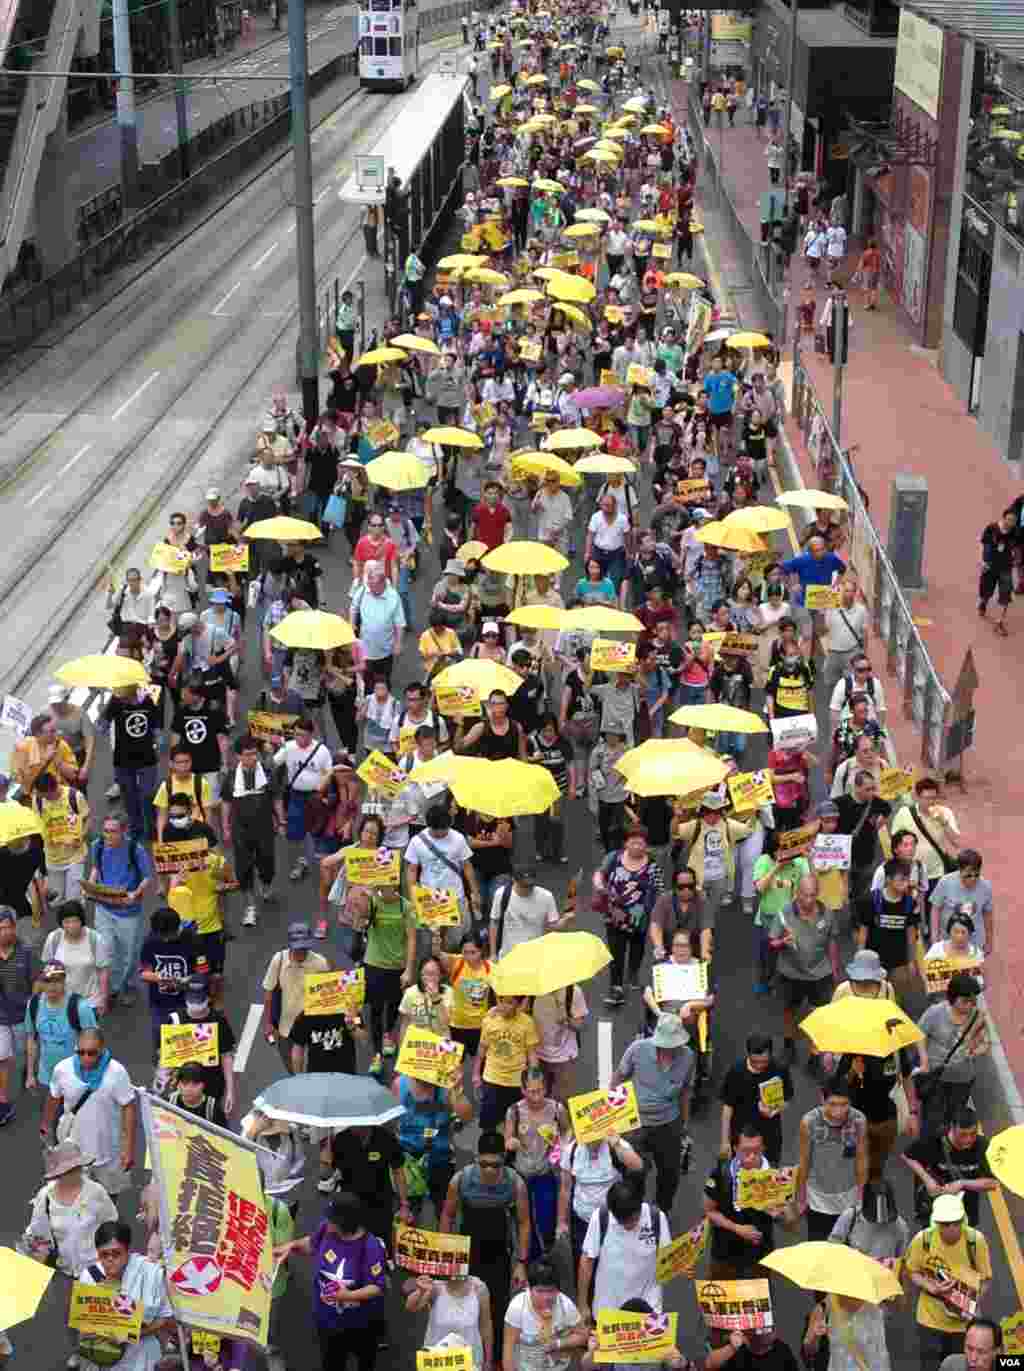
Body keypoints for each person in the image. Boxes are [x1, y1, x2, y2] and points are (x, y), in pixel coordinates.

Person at [275, 1192, 390, 1371]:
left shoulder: (371, 1247)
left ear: (346, 1222)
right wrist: (292, 1246)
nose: (327, 1222)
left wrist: (347, 1295)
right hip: (327, 1321)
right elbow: (312, 1244)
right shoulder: (326, 1229)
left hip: (361, 1324)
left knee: (365, 1362)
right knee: (331, 1363)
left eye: (332, 1220)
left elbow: (377, 1287)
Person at [440, 1131, 532, 1351]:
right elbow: (447, 1216)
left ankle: (496, 1357)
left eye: (495, 1164)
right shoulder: (461, 1179)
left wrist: (521, 1263)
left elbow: (524, 1222)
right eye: (484, 1164)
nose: (489, 1169)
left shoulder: (515, 1182)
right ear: (476, 1159)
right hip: (466, 1251)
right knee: (464, 1305)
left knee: (497, 1307)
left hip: (499, 1251)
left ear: (504, 1159)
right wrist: (445, 1257)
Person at [611, 1013, 693, 1213]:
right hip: (636, 1122)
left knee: (670, 1174)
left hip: (669, 1123)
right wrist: (611, 1115)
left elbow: (684, 1092)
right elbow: (618, 1078)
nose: (669, 1050)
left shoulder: (688, 1057)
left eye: (673, 1046)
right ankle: (634, 1211)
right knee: (634, 1171)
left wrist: (684, 1125)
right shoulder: (637, 1049)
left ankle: (661, 1212)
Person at [904, 1192, 992, 1371]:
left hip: (962, 1326)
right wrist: (932, 1287)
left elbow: (986, 1279)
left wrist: (969, 1305)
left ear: (963, 1220)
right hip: (929, 1321)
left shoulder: (975, 1241)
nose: (951, 1228)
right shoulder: (923, 1241)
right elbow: (912, 1271)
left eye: (956, 1223)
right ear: (936, 1223)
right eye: (945, 1224)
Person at [44, 1027, 135, 1196]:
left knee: (110, 1197)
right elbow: (53, 1097)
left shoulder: (117, 1072)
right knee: (78, 1198)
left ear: (102, 1049)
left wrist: (128, 1148)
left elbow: (128, 1107)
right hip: (75, 1151)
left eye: (92, 1053)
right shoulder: (62, 1069)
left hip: (109, 1151)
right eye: (81, 1052)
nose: (85, 1057)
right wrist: (46, 1125)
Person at [77, 1220, 174, 1371]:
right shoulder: (89, 1276)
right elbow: (83, 1327)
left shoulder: (149, 1272)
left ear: (128, 1251)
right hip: (104, 1359)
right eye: (104, 1255)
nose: (110, 1260)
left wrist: (133, 1335)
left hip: (143, 1358)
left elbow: (164, 1318)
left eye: (116, 1254)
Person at [766, 874, 840, 1067]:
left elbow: (831, 941)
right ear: (797, 893)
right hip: (791, 973)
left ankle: (815, 1054)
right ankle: (788, 1046)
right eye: (805, 895)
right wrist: (782, 942)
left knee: (820, 1015)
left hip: (820, 973)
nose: (808, 900)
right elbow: (771, 942)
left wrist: (834, 968)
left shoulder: (827, 913)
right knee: (789, 1012)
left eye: (813, 895)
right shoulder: (784, 913)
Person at [577, 1178, 671, 1326]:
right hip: (607, 1310)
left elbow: (667, 1258)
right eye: (622, 1222)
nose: (628, 1226)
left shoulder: (656, 1218)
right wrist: (582, 1305)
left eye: (633, 1220)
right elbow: (587, 1261)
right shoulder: (601, 1218)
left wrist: (681, 1266)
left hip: (648, 1307)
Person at [87, 813, 154, 1010]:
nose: (108, 836)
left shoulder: (135, 849)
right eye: (105, 831)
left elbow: (147, 877)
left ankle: (128, 985)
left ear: (124, 831)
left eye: (113, 832)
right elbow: (96, 869)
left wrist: (135, 893)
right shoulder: (97, 846)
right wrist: (91, 884)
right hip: (103, 907)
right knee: (106, 949)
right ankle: (112, 989)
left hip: (128, 910)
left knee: (129, 953)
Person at [22, 1140, 118, 1275]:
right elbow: (37, 1234)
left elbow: (111, 1224)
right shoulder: (45, 1197)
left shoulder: (96, 1191)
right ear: (58, 1173)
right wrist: (37, 1250)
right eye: (69, 1170)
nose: (76, 1172)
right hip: (63, 1271)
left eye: (77, 1167)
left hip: (96, 1269)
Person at [595, 826, 667, 1006]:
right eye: (632, 842)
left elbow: (660, 890)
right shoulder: (613, 858)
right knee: (616, 952)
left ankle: (633, 973)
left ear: (646, 846)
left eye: (640, 843)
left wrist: (658, 914)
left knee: (637, 949)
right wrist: (600, 886)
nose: (636, 846)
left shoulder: (652, 866)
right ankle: (616, 986)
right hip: (614, 916)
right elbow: (600, 873)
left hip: (640, 919)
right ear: (626, 843)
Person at [703, 1124, 785, 1280]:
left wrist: (779, 1214)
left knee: (756, 1299)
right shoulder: (721, 1173)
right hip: (724, 1254)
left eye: (757, 1150)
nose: (752, 1156)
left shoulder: (776, 1175)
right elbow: (709, 1211)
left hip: (761, 1255)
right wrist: (737, 1228)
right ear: (735, 1148)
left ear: (764, 1148)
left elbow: (790, 1223)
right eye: (746, 1151)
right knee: (722, 1298)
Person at [505, 1065, 569, 1261]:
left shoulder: (556, 1109)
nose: (536, 1096)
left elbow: (568, 1132)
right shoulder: (514, 1111)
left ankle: (547, 1248)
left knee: (547, 1217)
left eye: (540, 1090)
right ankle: (532, 1257)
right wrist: (511, 1143)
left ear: (546, 1088)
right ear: (523, 1090)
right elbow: (507, 1139)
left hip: (545, 1173)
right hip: (521, 1175)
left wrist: (561, 1144)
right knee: (524, 1220)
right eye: (531, 1091)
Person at [795, 1074, 868, 1241]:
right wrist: (801, 1197)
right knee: (818, 1248)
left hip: (848, 1198)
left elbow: (862, 1159)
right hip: (817, 1199)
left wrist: (861, 1198)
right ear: (822, 1098)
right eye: (832, 1104)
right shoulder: (809, 1122)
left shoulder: (858, 1120)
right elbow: (804, 1160)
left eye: (844, 1105)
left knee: (846, 1248)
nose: (838, 1111)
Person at [916, 972, 989, 1138]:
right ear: (952, 998)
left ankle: (945, 1149)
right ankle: (928, 1150)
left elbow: (985, 1044)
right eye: (965, 1001)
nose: (970, 1006)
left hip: (962, 1079)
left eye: (973, 1001)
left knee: (953, 1118)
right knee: (932, 1118)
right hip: (935, 1075)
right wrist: (924, 1058)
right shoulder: (936, 1012)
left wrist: (974, 1050)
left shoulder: (977, 1017)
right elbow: (920, 1034)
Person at [903, 1107, 997, 1229]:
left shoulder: (982, 1146)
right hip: (935, 1208)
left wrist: (962, 1184)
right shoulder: (935, 1139)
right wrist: (928, 1180)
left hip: (965, 1211)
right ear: (952, 1128)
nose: (968, 1140)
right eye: (963, 1134)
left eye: (973, 1134)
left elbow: (992, 1183)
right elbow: (907, 1156)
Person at [262, 922, 331, 1075]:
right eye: (297, 949)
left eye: (304, 948)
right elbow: (269, 994)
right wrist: (268, 1023)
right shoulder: (278, 960)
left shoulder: (320, 963)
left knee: (316, 1067)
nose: (301, 953)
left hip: (314, 1025)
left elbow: (328, 996)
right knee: (292, 1069)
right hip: (285, 1026)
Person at [25, 959, 98, 1096]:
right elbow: (31, 1039)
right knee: (50, 1115)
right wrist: (30, 1074)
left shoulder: (80, 1007)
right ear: (41, 983)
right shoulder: (34, 1004)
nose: (52, 986)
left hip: (76, 1077)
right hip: (47, 1077)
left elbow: (94, 1042)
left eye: (57, 980)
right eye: (47, 981)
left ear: (64, 981)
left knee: (74, 1116)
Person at [719, 1033, 794, 1167]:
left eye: (764, 1062)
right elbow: (727, 1107)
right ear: (748, 1055)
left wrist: (774, 1111)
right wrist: (725, 1141)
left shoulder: (780, 1069)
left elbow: (787, 1099)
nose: (759, 1066)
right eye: (755, 1062)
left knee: (768, 1177)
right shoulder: (736, 1071)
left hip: (770, 1136)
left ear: (771, 1054)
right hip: (742, 1136)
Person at [274, 717, 333, 883]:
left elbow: (329, 773)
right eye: (296, 734)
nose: (299, 739)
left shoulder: (322, 751)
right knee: (294, 833)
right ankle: (301, 862)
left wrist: (322, 792)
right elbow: (273, 763)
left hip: (315, 796)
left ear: (311, 734)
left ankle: (324, 863)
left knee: (318, 830)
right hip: (296, 795)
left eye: (303, 735)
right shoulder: (289, 747)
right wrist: (268, 751)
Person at [503, 1258, 587, 1371]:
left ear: (558, 1289)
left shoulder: (565, 1304)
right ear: (528, 1287)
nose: (546, 1297)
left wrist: (559, 1343)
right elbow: (508, 1352)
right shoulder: (517, 1307)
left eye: (551, 1291)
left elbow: (582, 1336)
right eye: (540, 1291)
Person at [855, 858, 921, 1000]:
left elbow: (911, 935)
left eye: (907, 878)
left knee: (896, 999)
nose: (906, 882)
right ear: (889, 879)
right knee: (872, 998)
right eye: (901, 879)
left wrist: (911, 961)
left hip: (899, 962)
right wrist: (859, 957)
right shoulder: (871, 900)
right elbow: (863, 931)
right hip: (873, 962)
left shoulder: (910, 903)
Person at [405, 1270, 493, 1371]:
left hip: (469, 1362)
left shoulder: (479, 1288)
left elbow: (486, 1326)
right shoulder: (436, 1286)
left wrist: (488, 1361)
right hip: (437, 1362)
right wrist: (421, 1291)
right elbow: (411, 1307)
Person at [475, 994, 540, 1130]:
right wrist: (476, 1074)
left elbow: (532, 1054)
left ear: (518, 1004)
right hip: (492, 1078)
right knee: (488, 1123)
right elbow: (482, 1048)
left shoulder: (527, 1022)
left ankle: (510, 1147)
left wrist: (534, 1079)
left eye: (509, 1003)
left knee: (514, 1123)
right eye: (500, 1001)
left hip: (516, 1081)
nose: (503, 1006)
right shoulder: (489, 1020)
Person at [41, 901, 110, 1016]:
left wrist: (103, 1000)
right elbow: (47, 968)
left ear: (81, 921)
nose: (71, 926)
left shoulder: (95, 939)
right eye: (67, 922)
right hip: (61, 1002)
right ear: (61, 923)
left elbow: (103, 971)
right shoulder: (54, 938)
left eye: (75, 921)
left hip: (89, 1003)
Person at [32, 771, 90, 903]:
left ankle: (76, 920)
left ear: (51, 791)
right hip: (53, 859)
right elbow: (38, 826)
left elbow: (88, 819)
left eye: (43, 795)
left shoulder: (74, 796)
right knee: (56, 899)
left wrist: (81, 836)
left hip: (75, 856)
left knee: (73, 900)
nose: (40, 797)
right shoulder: (38, 800)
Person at [827, 1177, 909, 1264]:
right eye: (874, 1215)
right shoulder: (851, 1217)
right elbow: (833, 1248)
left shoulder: (899, 1225)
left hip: (883, 1274)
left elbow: (902, 1259)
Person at [490, 865, 563, 960]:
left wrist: (565, 921)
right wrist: (493, 953)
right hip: (509, 956)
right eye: (523, 886)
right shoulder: (501, 895)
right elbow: (494, 923)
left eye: (530, 886)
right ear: (513, 880)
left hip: (536, 957)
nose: (527, 889)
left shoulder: (546, 896)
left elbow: (552, 926)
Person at [929, 851, 993, 954]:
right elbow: (936, 909)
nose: (973, 879)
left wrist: (989, 942)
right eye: (968, 875)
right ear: (959, 870)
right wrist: (934, 938)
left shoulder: (986, 886)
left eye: (976, 875)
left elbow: (988, 914)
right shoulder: (945, 882)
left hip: (974, 943)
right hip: (948, 942)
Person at [978, 506, 1015, 634]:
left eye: (1013, 521)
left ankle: (999, 622)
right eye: (1009, 520)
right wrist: (982, 561)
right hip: (990, 565)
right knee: (986, 591)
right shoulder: (992, 528)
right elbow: (983, 544)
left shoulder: (1015, 532)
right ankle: (983, 603)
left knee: (1005, 594)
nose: (1011, 523)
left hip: (1006, 567)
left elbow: (1018, 547)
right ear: (1003, 519)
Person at [937, 1318, 1003, 1371]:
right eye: (969, 1349)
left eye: (981, 1352)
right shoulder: (951, 1365)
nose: (973, 1358)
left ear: (996, 1352)